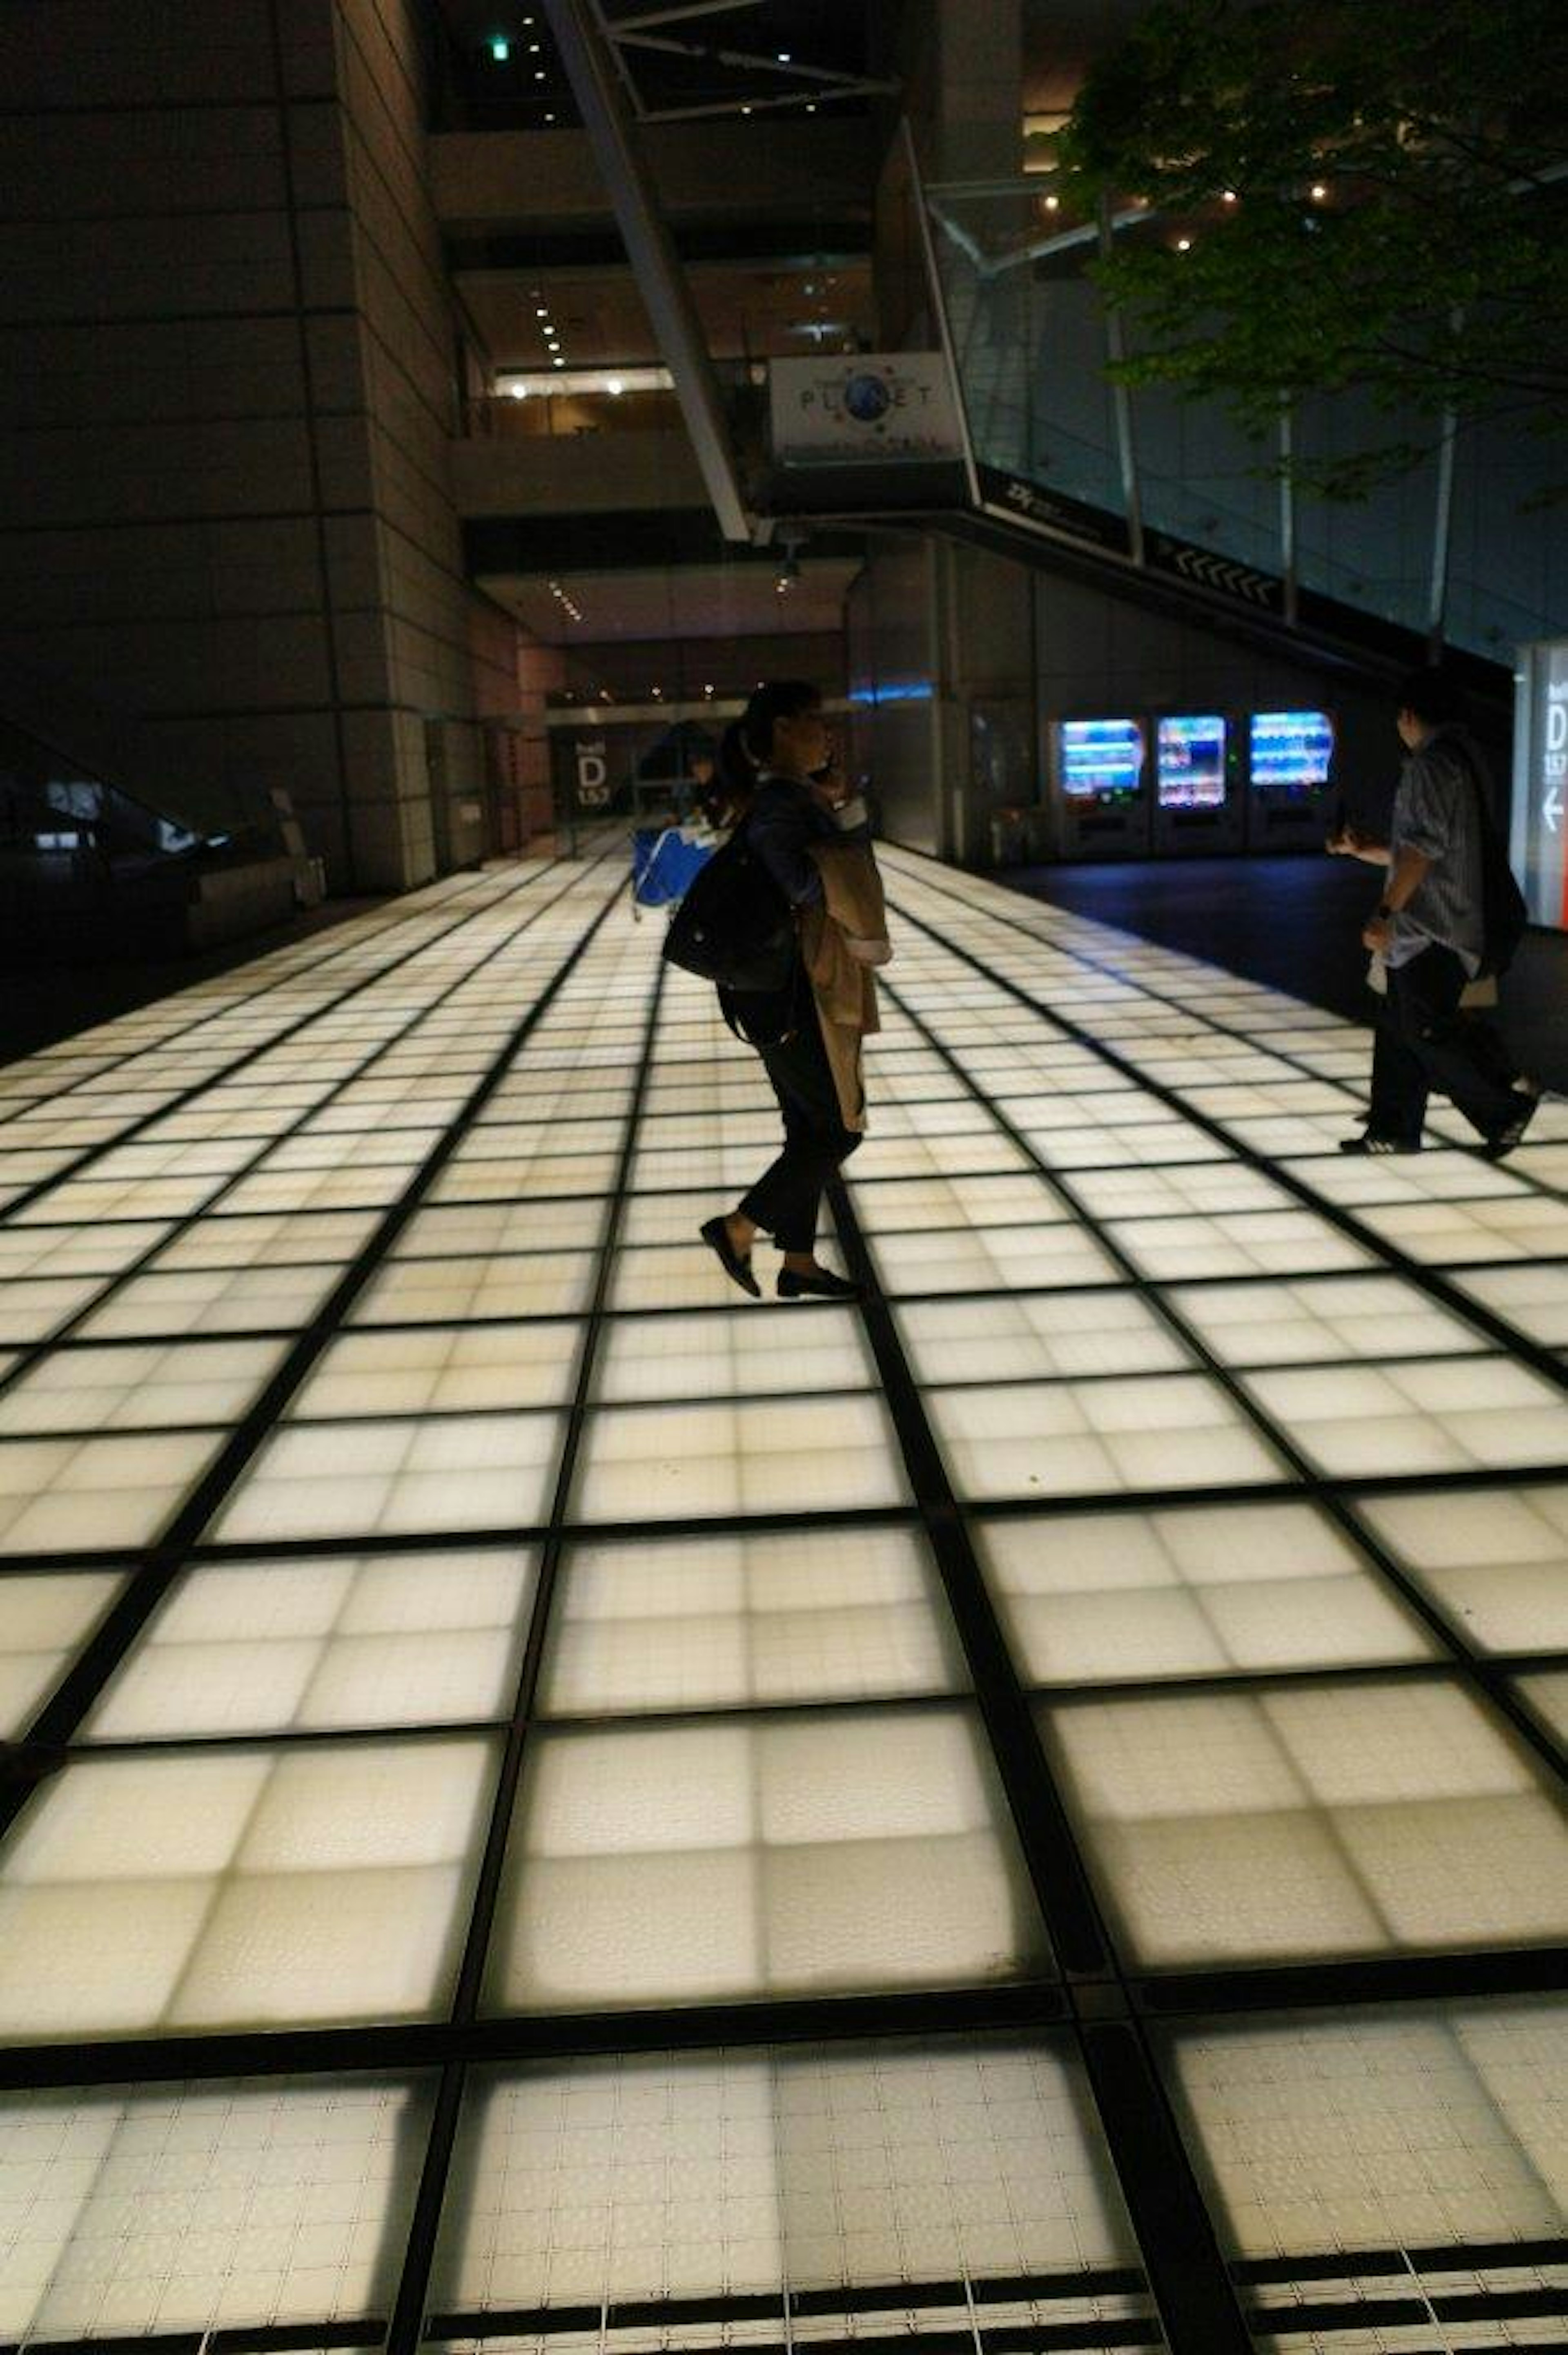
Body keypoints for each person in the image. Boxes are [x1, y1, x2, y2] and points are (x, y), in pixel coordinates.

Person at [698, 680, 885, 1300]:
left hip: (779, 986)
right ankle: (738, 1227)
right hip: (794, 988)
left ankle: (798, 1261)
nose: (826, 732)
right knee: (839, 1130)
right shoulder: (781, 802)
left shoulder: (789, 797)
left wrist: (832, 812)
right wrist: (843, 833)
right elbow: (806, 887)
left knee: (808, 1127)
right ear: (781, 728)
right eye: (814, 720)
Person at [1328, 668, 1538, 1157]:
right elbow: (1427, 850)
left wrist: (1384, 912)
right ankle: (1392, 1127)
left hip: (1433, 927)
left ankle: (1504, 1106)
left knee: (1425, 1031)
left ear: (1407, 716)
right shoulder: (1466, 758)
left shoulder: (1429, 766)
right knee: (1401, 1028)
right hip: (1443, 921)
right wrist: (1369, 849)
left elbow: (1421, 852)